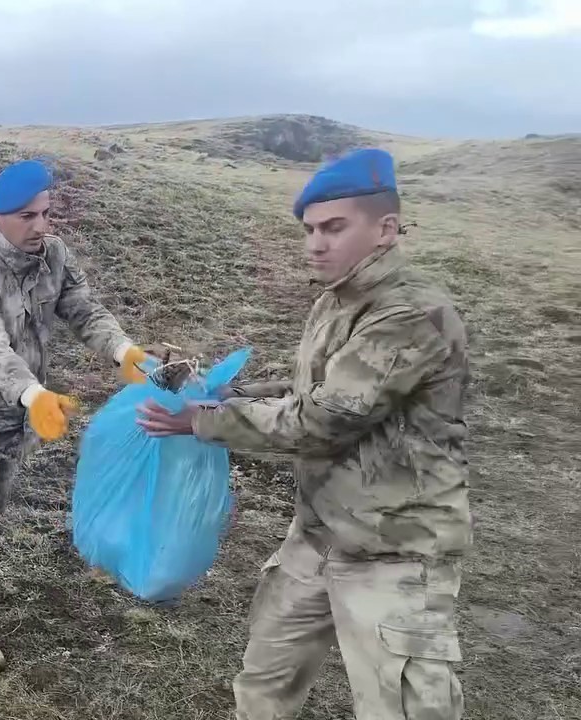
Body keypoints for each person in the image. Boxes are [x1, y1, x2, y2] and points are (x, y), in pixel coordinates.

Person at [136, 148, 471, 720]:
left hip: (395, 550)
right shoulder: (338, 298)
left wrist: (201, 421)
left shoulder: (411, 313)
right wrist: (226, 396)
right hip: (318, 533)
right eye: (310, 229)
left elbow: (325, 419)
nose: (315, 243)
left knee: (403, 706)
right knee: (263, 686)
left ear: (385, 229)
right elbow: (307, 389)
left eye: (334, 228)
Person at [0, 158, 183, 672]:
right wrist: (32, 393)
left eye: (46, 214)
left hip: (21, 414)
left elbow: (83, 308)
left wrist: (124, 352)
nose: (41, 226)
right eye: (28, 217)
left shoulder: (53, 255)